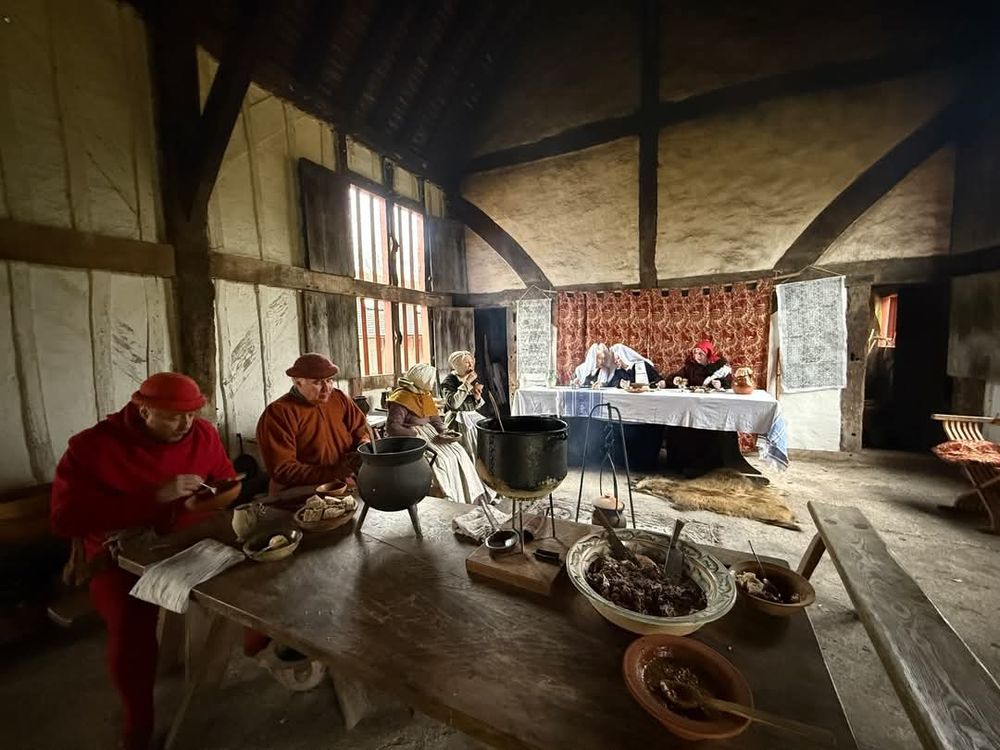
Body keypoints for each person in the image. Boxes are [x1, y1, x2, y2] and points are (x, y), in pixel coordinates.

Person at [50, 373, 240, 750]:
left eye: (191, 414)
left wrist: (216, 494)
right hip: (119, 554)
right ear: (144, 410)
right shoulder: (93, 447)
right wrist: (155, 497)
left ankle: (266, 649)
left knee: (251, 584)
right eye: (173, 416)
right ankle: (138, 722)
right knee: (131, 631)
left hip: (191, 540)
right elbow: (64, 520)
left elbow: (224, 478)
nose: (185, 425)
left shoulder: (202, 434)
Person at [256, 353, 370, 494]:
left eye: (329, 380)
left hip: (343, 485)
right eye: (317, 382)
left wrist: (363, 448)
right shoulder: (279, 413)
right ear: (298, 383)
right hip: (299, 494)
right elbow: (282, 469)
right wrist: (333, 472)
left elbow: (361, 431)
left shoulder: (339, 398)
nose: (327, 388)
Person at [385, 363, 489, 505]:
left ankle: (466, 498)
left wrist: (444, 430)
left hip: (429, 433)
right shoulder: (401, 398)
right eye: (430, 379)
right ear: (422, 379)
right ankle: (448, 498)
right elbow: (392, 427)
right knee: (442, 460)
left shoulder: (424, 394)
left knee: (459, 453)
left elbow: (434, 418)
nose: (433, 383)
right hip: (411, 438)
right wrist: (414, 434)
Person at [439, 350, 486, 458]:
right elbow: (454, 404)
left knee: (478, 448)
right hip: (457, 422)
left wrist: (477, 397)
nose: (470, 365)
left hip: (471, 419)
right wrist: (467, 383)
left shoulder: (470, 378)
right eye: (467, 362)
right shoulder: (449, 381)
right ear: (457, 365)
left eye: (471, 362)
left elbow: (474, 405)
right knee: (464, 452)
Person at [666, 339, 733, 389]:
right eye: (695, 353)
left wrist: (720, 383)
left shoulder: (721, 368)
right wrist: (676, 379)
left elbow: (730, 382)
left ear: (708, 355)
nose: (696, 356)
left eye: (700, 354)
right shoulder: (690, 368)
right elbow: (676, 377)